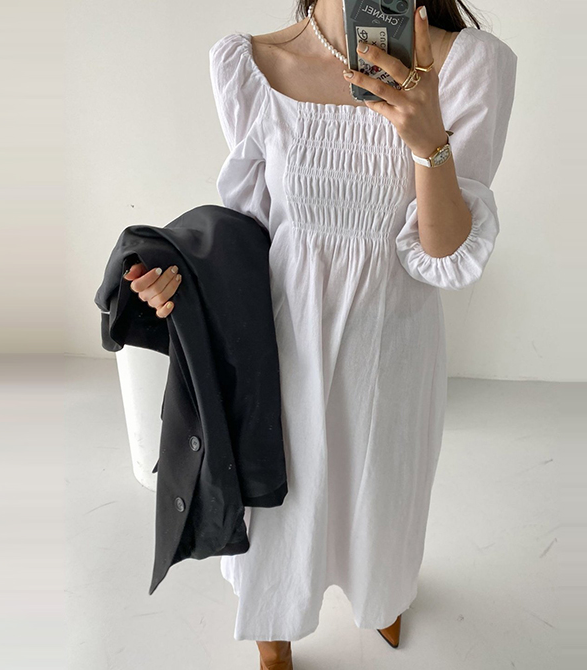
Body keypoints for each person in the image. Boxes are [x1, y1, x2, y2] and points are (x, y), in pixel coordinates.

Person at [125, 1, 517, 667]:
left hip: (392, 358)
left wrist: (429, 141)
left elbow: (445, 257)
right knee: (279, 508)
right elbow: (249, 238)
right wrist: (179, 282)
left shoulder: (472, 65)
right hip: (277, 357)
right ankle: (273, 628)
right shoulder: (251, 65)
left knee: (382, 498)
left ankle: (380, 595)